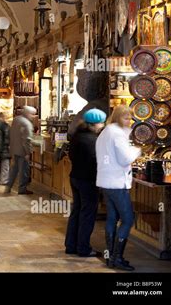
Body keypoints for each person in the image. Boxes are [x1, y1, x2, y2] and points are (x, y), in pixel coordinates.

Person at [96, 105, 141, 271]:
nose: (129, 121)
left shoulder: (106, 132)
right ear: (117, 118)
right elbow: (125, 159)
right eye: (125, 117)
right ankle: (117, 258)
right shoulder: (117, 134)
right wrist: (137, 150)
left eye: (130, 118)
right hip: (117, 183)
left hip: (106, 181)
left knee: (112, 218)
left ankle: (110, 258)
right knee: (128, 219)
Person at [65, 108, 107, 257]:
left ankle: (71, 245)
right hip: (87, 180)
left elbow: (71, 155)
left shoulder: (77, 135)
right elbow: (95, 162)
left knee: (76, 211)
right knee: (87, 214)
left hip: (75, 177)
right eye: (101, 123)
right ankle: (83, 248)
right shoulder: (92, 140)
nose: (102, 126)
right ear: (94, 124)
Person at [7, 106, 37, 195]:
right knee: (24, 171)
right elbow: (27, 140)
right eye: (32, 114)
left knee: (14, 170)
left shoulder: (16, 120)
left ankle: (8, 187)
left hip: (14, 149)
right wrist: (28, 152)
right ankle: (22, 189)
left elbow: (11, 134)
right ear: (28, 113)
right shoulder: (27, 124)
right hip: (22, 151)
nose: (33, 117)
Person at [0, 113, 11, 186]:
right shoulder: (6, 126)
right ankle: (4, 180)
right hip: (5, 150)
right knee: (5, 165)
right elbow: (9, 138)